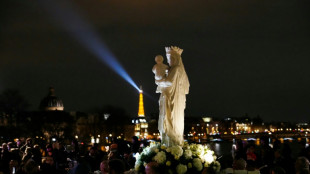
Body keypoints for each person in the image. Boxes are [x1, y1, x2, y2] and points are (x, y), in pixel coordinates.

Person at [155, 46, 190, 146]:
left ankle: (173, 144)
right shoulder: (171, 69)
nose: (168, 61)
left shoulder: (177, 68)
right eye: (168, 58)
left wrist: (158, 81)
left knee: (171, 119)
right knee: (168, 118)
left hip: (173, 98)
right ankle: (168, 142)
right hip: (168, 97)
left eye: (170, 58)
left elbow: (169, 82)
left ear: (175, 59)